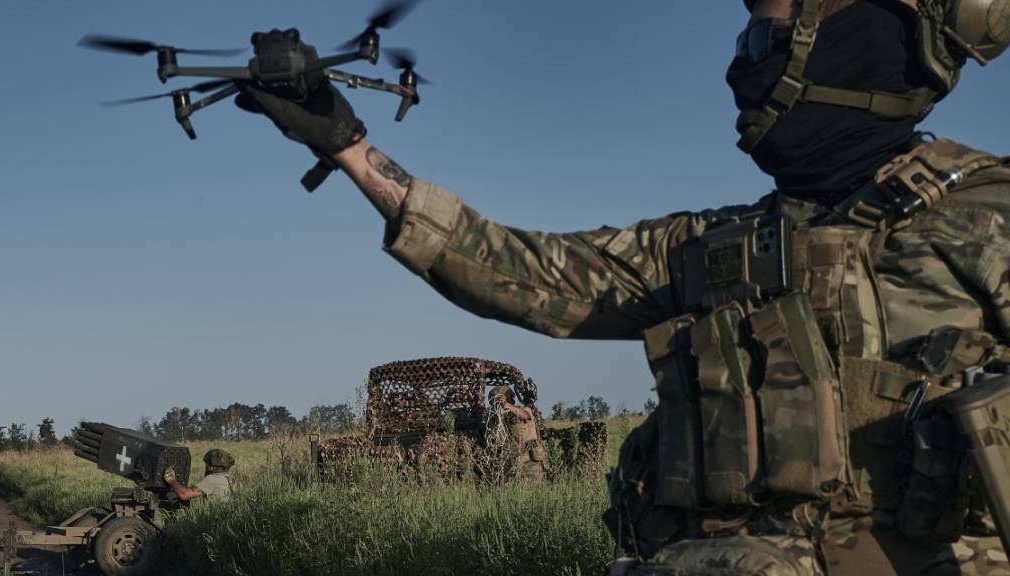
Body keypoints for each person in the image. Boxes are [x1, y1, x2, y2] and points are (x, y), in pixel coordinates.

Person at [236, 0, 1010, 573]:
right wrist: (346, 145)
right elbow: (514, 271)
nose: (746, 63)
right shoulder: (712, 248)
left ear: (863, 39)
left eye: (766, 33)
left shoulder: (986, 216)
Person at [488, 385, 550, 481]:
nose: (498, 404)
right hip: (513, 460)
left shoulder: (522, 410)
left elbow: (525, 415)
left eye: (500, 400)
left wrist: (507, 405)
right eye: (495, 402)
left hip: (530, 460)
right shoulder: (498, 419)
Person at [163, 448, 234, 501]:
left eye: (207, 465)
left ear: (211, 467)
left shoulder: (213, 479)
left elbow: (184, 494)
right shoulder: (225, 478)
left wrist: (171, 480)